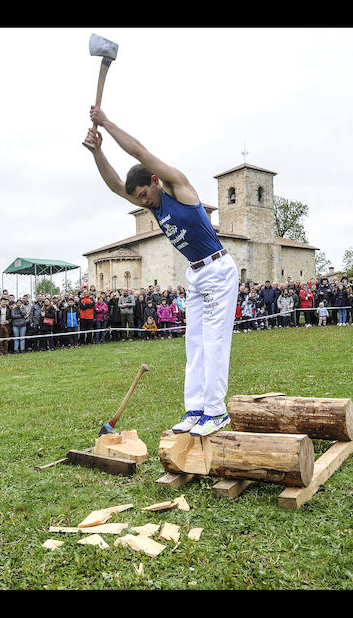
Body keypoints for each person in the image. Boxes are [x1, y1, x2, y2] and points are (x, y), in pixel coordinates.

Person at [85, 106, 238, 437]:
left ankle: (217, 412)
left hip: (219, 269)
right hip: (196, 275)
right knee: (194, 343)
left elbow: (140, 152)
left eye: (144, 194)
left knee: (213, 342)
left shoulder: (177, 187)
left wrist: (106, 123)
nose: (144, 202)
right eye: (139, 199)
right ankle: (195, 410)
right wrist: (98, 152)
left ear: (154, 181)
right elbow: (115, 185)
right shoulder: (151, 201)